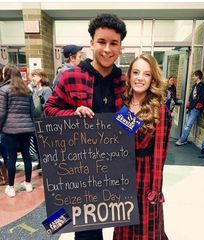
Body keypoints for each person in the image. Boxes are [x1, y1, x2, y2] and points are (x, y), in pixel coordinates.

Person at [44, 13, 127, 240]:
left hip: (115, 168)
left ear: (120, 46)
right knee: (86, 232)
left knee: (123, 226)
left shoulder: (125, 82)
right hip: (80, 171)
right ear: (91, 42)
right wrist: (73, 113)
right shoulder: (70, 77)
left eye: (114, 43)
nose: (107, 49)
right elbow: (48, 112)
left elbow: (131, 127)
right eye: (101, 42)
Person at [113, 53, 171, 240]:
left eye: (146, 74)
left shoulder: (159, 109)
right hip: (121, 174)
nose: (140, 78)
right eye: (136, 72)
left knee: (145, 229)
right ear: (129, 76)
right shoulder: (121, 103)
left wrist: (155, 190)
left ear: (153, 78)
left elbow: (159, 155)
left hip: (144, 177)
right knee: (123, 225)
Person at [0, 64, 35, 197]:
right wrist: (32, 127)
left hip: (10, 130)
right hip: (27, 129)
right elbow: (32, 112)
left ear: (6, 74)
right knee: (26, 155)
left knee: (11, 158)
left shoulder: (4, 90)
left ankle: (11, 187)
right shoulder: (27, 90)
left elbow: (2, 113)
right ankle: (28, 184)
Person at [175, 70, 204, 146]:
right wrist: (188, 105)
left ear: (198, 76)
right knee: (187, 124)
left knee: (188, 125)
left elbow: (202, 98)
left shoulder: (201, 86)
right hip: (191, 108)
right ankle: (184, 139)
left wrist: (197, 108)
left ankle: (181, 140)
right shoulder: (194, 86)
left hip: (195, 109)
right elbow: (191, 97)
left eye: (194, 76)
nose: (192, 77)